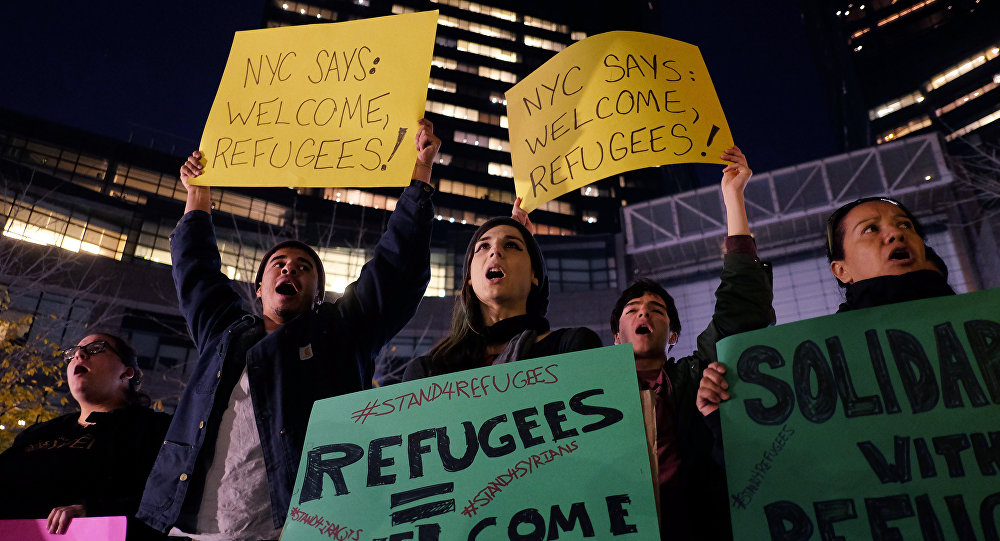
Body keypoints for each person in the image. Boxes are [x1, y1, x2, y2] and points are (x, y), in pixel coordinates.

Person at [137, 119, 441, 539]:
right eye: (278, 265)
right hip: (192, 529)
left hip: (297, 529)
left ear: (318, 295)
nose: (289, 269)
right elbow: (196, 271)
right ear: (259, 289)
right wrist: (198, 196)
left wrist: (420, 177)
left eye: (303, 268)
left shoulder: (341, 334)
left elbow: (394, 270)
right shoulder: (223, 335)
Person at [610, 146, 773, 541]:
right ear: (616, 338)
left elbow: (741, 308)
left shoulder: (694, 378)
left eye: (656, 310)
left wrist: (734, 198)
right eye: (632, 310)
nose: (643, 314)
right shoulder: (590, 397)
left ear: (675, 336)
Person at [698, 196, 955, 418]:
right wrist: (727, 418)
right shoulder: (816, 361)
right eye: (870, 229)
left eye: (905, 225)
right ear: (842, 270)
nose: (896, 233)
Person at [0, 333, 171, 539]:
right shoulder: (38, 433)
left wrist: (96, 512)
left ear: (127, 372)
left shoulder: (154, 429)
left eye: (96, 348)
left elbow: (170, 498)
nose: (79, 354)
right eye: (72, 353)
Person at [401, 205, 601, 380]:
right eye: (483, 246)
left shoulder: (572, 348)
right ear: (469, 278)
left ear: (535, 275)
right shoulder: (428, 371)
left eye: (512, 245)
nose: (495, 251)